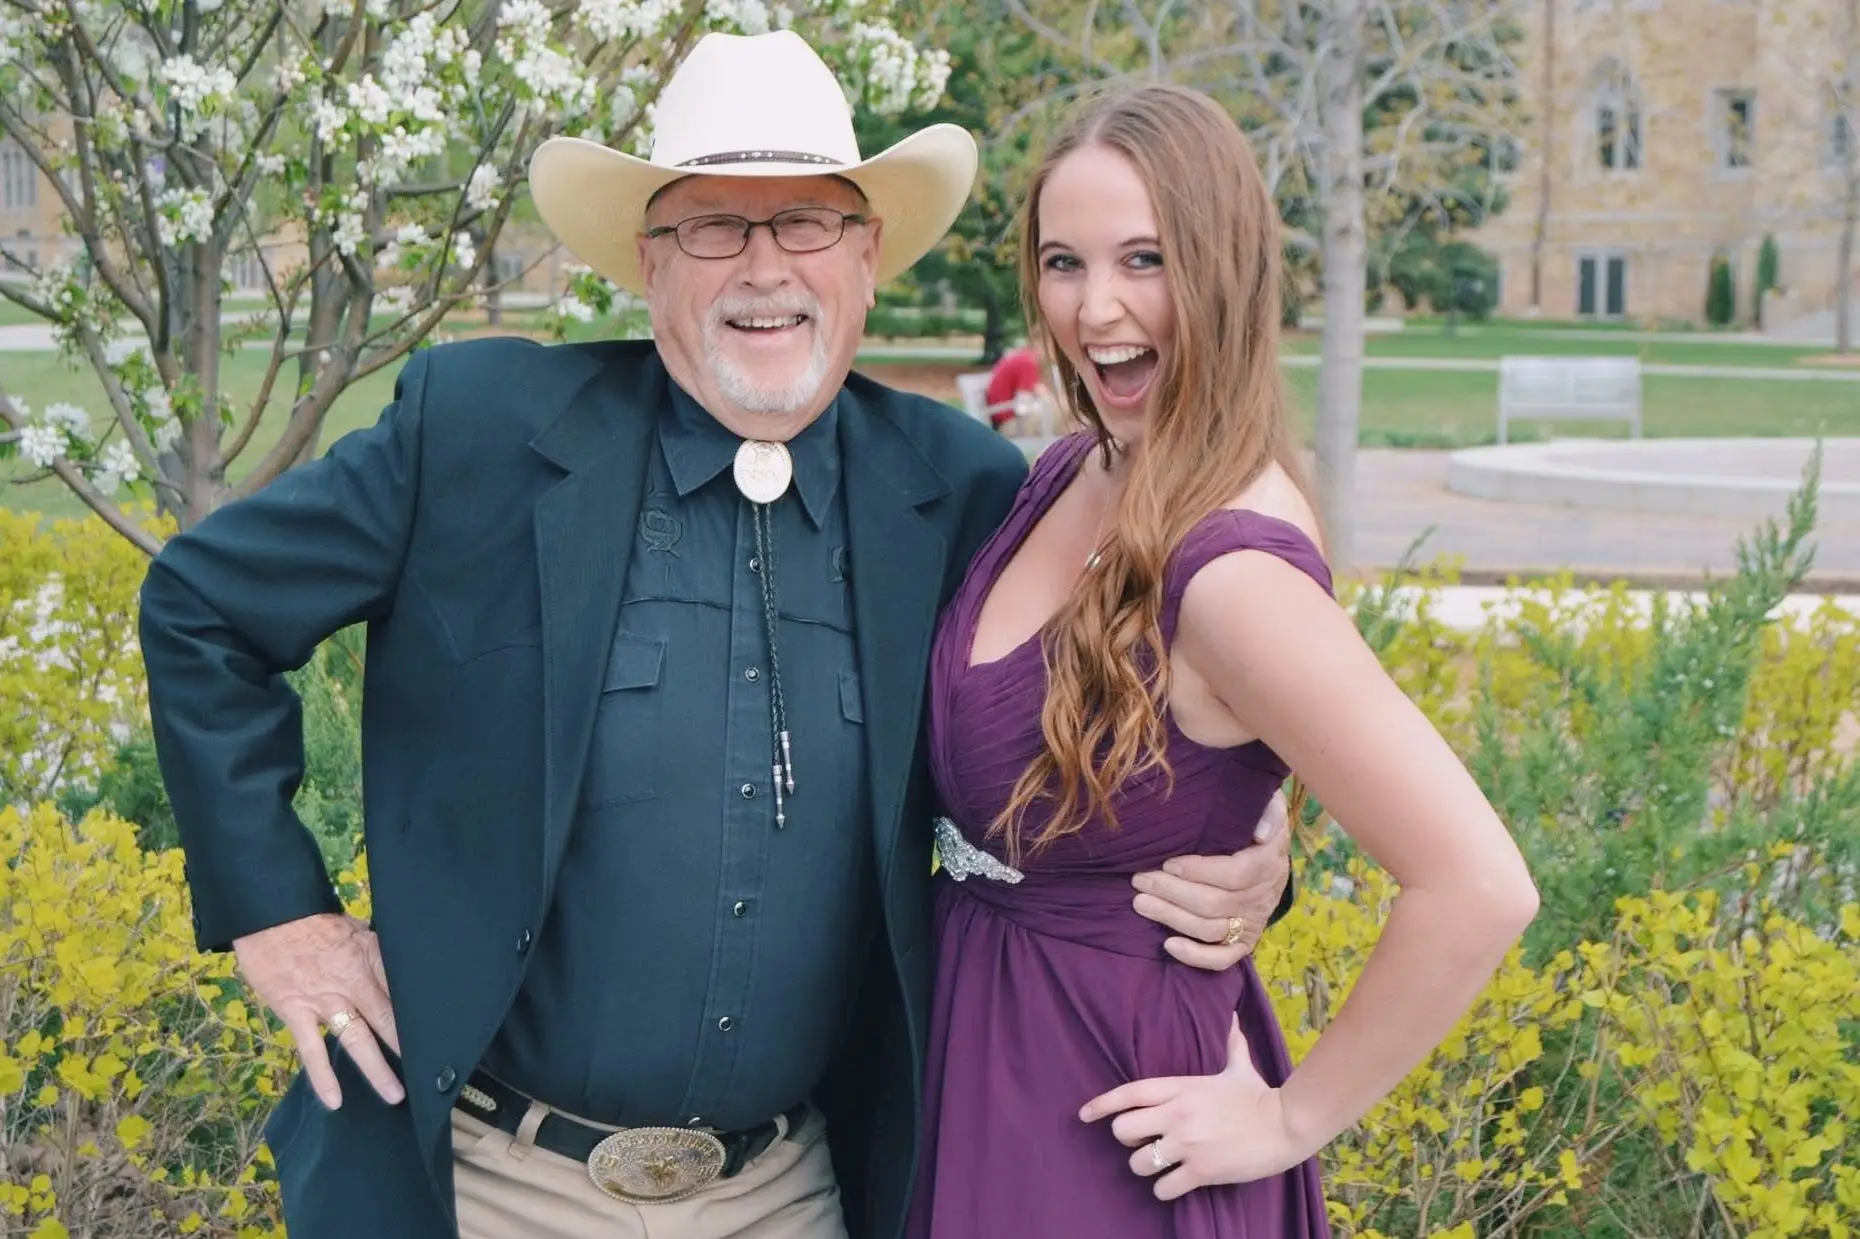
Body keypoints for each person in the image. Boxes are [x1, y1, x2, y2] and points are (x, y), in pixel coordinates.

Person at [137, 34, 1298, 1239]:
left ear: (868, 253)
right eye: (712, 228)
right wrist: (279, 917)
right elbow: (201, 606)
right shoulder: (477, 435)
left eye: (804, 222)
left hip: (796, 1192)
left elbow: (1159, 687)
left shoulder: (961, 490)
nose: (763, 270)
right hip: (487, 1184)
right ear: (649, 260)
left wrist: (1262, 840)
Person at [906, 84, 1540, 1239]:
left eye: (1143, 259)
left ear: (1225, 270)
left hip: (1113, 1126)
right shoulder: (1072, 471)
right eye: (1063, 262)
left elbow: (1481, 886)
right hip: (986, 1054)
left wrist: (1294, 1121)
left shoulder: (1235, 575)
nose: (1096, 308)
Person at [982, 338, 1051, 434]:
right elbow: (1022, 408)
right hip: (1008, 425)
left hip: (1004, 418)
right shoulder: (1028, 362)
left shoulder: (1024, 357)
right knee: (1063, 414)